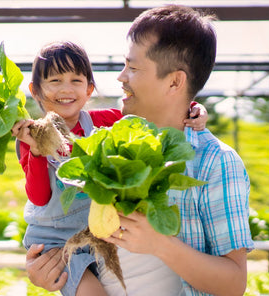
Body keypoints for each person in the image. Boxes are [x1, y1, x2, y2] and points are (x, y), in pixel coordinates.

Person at [25, 5, 254, 296]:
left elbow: (234, 283)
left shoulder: (215, 162)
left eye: (133, 68)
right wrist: (48, 269)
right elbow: (76, 231)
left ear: (174, 81)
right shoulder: (109, 145)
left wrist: (159, 243)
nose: (121, 77)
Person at [12, 40, 208, 296]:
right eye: (55, 81)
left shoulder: (106, 120)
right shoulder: (30, 136)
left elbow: (154, 121)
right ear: (35, 90)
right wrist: (37, 152)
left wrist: (192, 109)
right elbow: (39, 197)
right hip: (58, 241)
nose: (66, 89)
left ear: (89, 89)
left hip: (97, 231)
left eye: (76, 80)